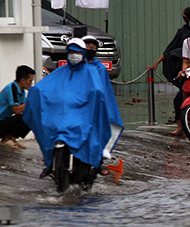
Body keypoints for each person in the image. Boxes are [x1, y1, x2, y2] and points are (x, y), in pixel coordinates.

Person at [24, 38, 122, 176]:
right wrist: (37, 93)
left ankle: (96, 161)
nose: (74, 55)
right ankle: (50, 163)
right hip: (64, 114)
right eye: (71, 52)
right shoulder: (62, 71)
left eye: (77, 52)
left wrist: (94, 99)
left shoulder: (94, 70)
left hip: (84, 113)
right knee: (49, 128)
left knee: (93, 132)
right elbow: (48, 86)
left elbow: (100, 91)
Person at [147, 4, 190, 136]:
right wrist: (157, 63)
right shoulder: (184, 35)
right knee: (179, 99)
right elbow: (170, 49)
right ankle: (181, 125)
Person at [83, 35, 123, 175]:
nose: (90, 49)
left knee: (98, 130)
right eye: (87, 47)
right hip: (76, 103)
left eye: (93, 48)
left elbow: (103, 89)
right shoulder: (74, 66)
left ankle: (98, 162)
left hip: (94, 105)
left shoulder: (99, 68)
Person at [0, 65, 35, 149]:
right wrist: (31, 102)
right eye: (30, 81)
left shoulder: (22, 91)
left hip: (4, 122)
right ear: (22, 80)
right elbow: (16, 110)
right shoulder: (12, 88)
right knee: (23, 116)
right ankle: (6, 139)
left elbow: (25, 109)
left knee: (31, 116)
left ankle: (12, 138)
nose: (31, 84)